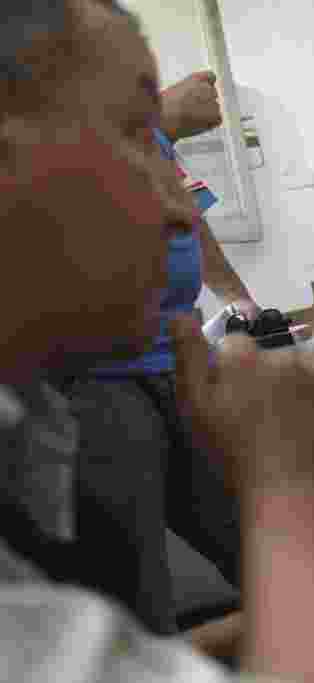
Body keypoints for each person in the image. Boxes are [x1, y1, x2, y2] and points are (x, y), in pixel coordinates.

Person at [0, 1, 314, 680]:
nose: (181, 210)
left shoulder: (29, 424)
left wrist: (290, 508)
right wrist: (291, 508)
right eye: (133, 131)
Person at [56, 70, 260, 636]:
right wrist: (156, 117)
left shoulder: (145, 135)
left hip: (178, 363)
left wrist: (237, 296)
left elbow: (186, 219)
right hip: (99, 381)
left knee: (259, 554)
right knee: (134, 597)